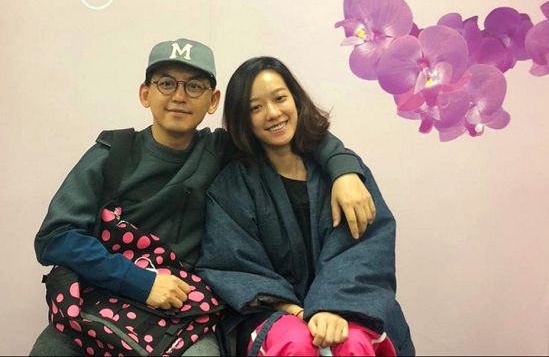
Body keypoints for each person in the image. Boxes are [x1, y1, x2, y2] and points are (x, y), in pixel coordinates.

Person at [30, 38, 376, 356]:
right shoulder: (113, 153)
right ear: (145, 93)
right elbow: (55, 237)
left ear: (213, 101)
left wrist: (344, 169)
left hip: (183, 314)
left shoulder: (222, 150)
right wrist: (141, 281)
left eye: (194, 86)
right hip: (100, 300)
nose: (179, 96)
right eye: (166, 83)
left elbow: (290, 132)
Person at [197, 57, 414, 356]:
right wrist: (298, 312)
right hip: (273, 312)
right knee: (295, 342)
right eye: (255, 108)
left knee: (352, 342)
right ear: (242, 119)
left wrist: (332, 306)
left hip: (350, 300)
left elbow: (364, 249)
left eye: (279, 98)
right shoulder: (232, 185)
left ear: (296, 100)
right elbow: (232, 262)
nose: (272, 113)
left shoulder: (342, 175)